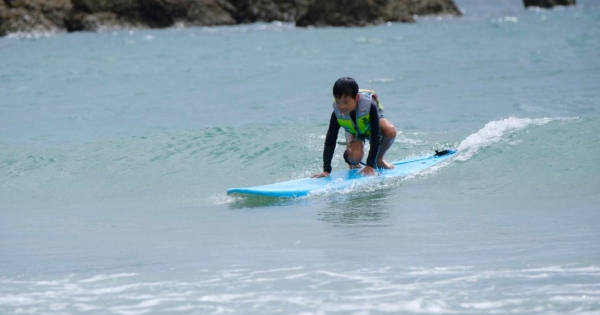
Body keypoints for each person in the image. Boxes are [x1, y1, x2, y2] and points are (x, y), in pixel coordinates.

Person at [312, 77, 397, 178]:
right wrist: (326, 170)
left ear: (356, 98)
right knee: (355, 157)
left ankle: (379, 159)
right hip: (354, 131)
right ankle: (351, 155)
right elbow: (330, 140)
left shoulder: (370, 106)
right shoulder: (336, 114)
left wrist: (370, 165)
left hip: (369, 127)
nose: (341, 106)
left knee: (390, 131)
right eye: (338, 101)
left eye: (346, 102)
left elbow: (375, 136)